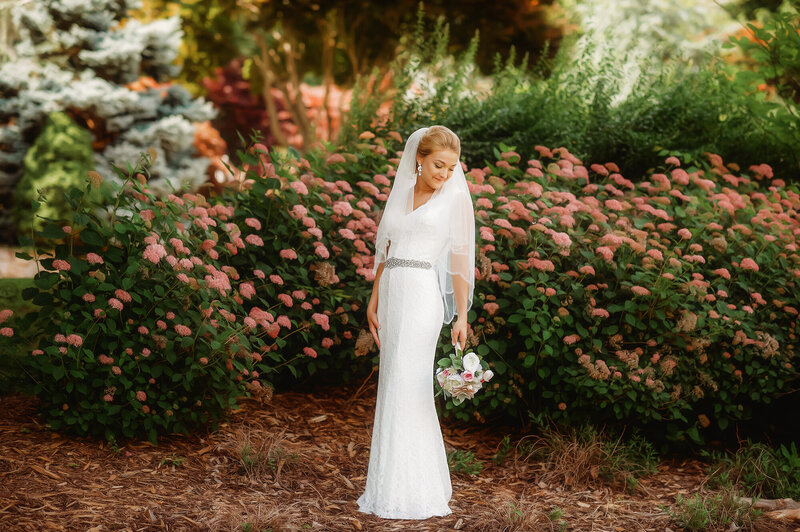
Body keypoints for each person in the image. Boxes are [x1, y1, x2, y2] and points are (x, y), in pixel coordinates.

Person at [356, 126, 476, 519]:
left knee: (411, 386)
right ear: (419, 159)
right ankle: (387, 485)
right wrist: (374, 298)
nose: (444, 173)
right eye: (438, 165)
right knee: (392, 385)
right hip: (391, 295)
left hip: (423, 297)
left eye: (451, 167)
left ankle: (417, 491)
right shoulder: (401, 195)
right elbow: (387, 249)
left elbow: (459, 262)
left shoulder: (454, 200)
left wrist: (461, 314)